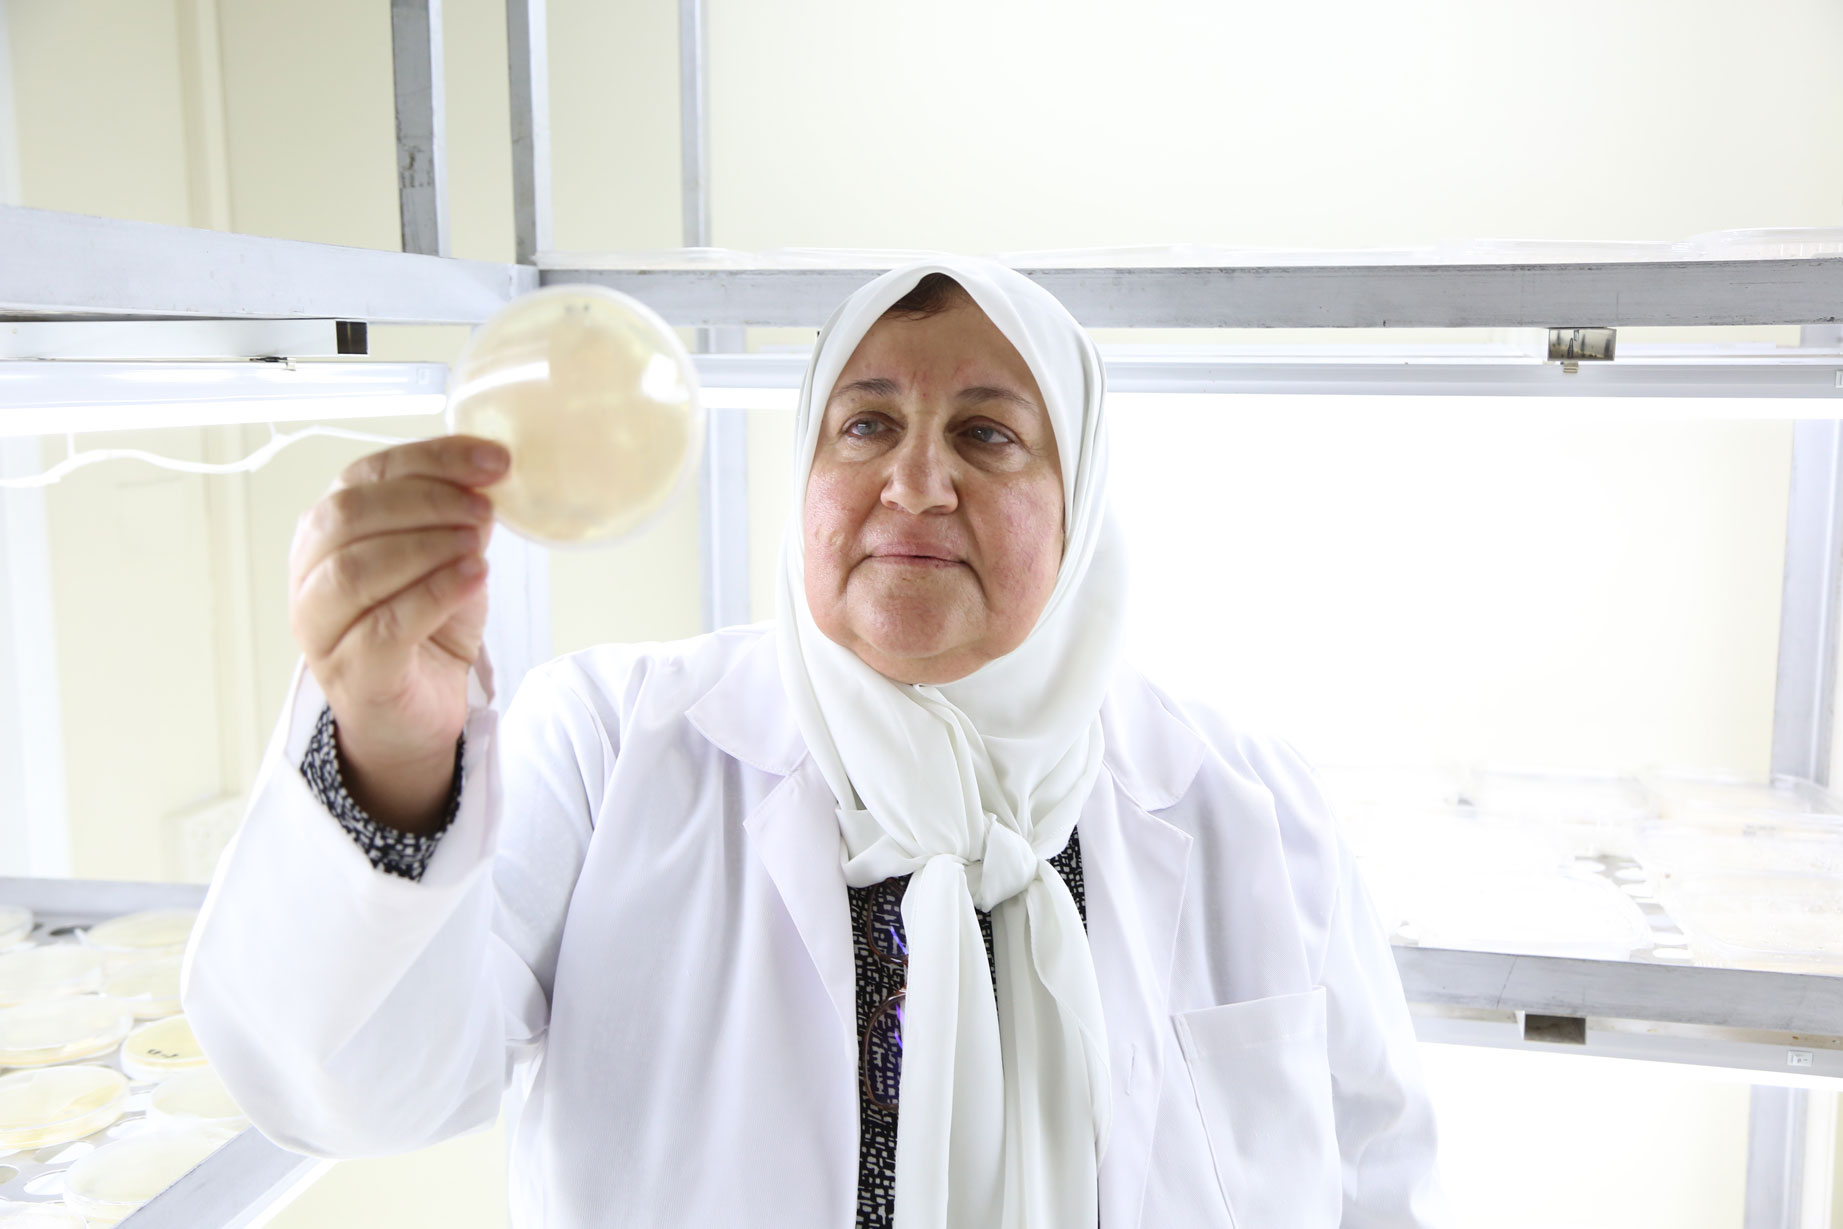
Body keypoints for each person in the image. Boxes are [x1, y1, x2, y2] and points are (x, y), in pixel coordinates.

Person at [183, 255, 1450, 1228]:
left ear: (1084, 511)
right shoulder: (614, 746)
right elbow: (351, 1085)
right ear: (803, 477)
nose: (912, 483)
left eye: (987, 433)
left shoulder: (1247, 811)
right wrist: (391, 752)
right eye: (865, 424)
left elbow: (1374, 1172)